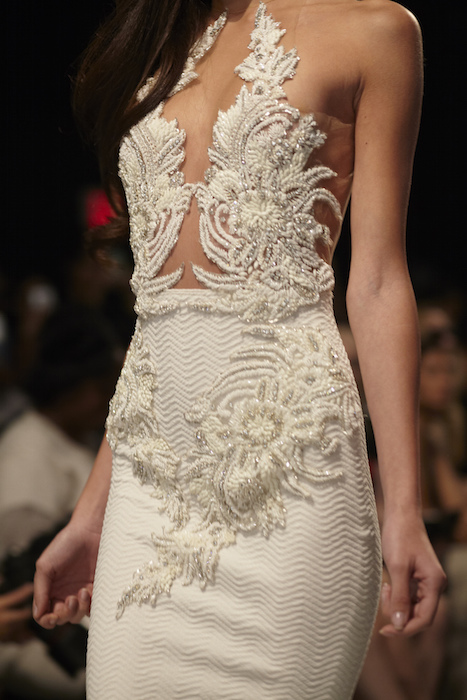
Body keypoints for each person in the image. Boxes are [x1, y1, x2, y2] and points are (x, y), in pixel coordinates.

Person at [33, 0, 446, 697]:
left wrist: (403, 508)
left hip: (291, 477)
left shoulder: (374, 31)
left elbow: (376, 282)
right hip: (148, 490)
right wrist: (92, 509)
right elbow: (160, 318)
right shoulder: (160, 36)